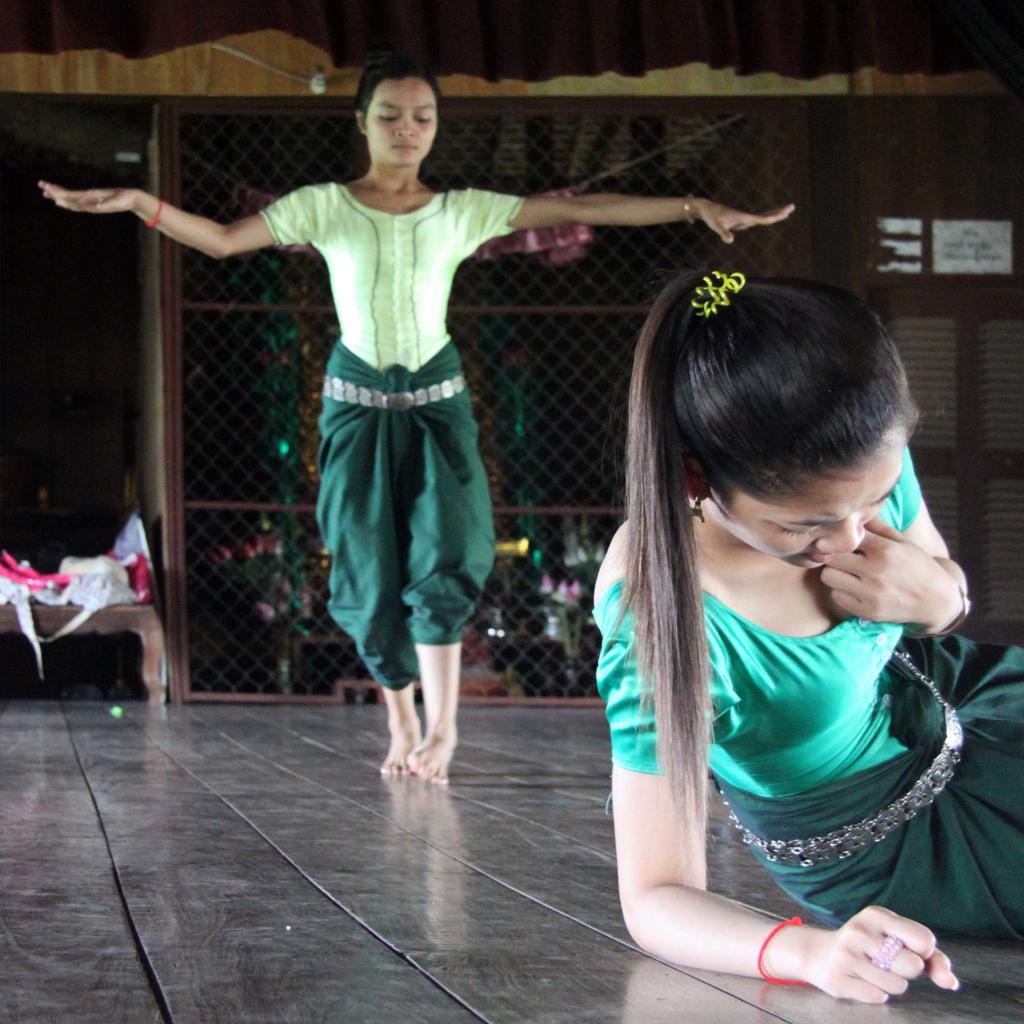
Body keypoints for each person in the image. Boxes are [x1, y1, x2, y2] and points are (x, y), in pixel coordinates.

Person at [39, 51, 794, 785]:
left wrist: (695, 207)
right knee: (364, 574)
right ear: (362, 121)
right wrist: (138, 202)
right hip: (355, 406)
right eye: (391, 115)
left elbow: (578, 208)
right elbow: (223, 238)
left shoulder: (459, 211)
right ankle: (402, 721)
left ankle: (444, 729)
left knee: (451, 551)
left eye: (423, 117)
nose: (407, 129)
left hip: (439, 401)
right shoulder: (323, 205)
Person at [593, 270, 1023, 1003]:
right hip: (887, 836)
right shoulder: (664, 618)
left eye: (875, 500)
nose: (851, 538)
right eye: (806, 526)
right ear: (696, 477)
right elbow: (656, 895)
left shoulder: (849, 454)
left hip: (953, 701)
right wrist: (809, 954)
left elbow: (943, 587)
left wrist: (941, 599)